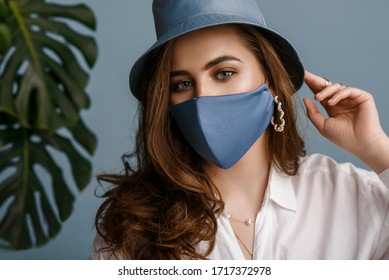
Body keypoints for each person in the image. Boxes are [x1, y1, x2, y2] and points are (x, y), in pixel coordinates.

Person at [90, 0, 389, 260]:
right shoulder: (133, 225)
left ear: (270, 80)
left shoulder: (351, 196)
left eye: (224, 73)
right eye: (182, 84)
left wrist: (377, 149)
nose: (202, 97)